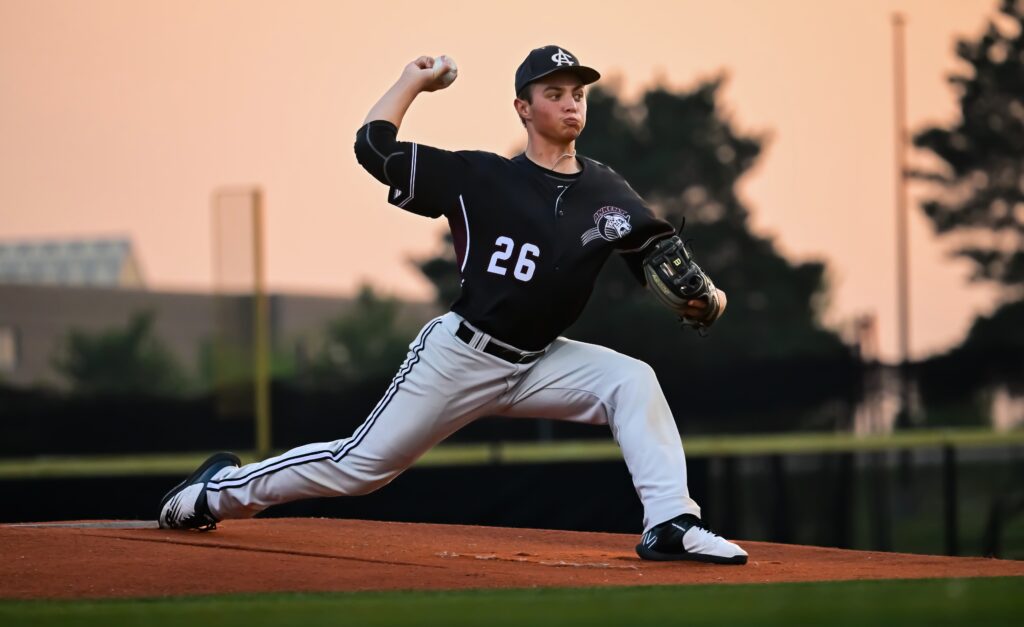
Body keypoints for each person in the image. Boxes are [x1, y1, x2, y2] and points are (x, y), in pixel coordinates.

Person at [159, 45, 747, 565]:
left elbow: (662, 256)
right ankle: (215, 492)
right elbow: (374, 148)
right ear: (523, 108)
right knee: (359, 469)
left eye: (578, 94)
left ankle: (671, 522)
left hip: (540, 361)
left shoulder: (607, 189)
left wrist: (710, 299)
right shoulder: (479, 177)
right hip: (461, 354)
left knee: (632, 381)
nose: (571, 104)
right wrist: (411, 81)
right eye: (554, 93)